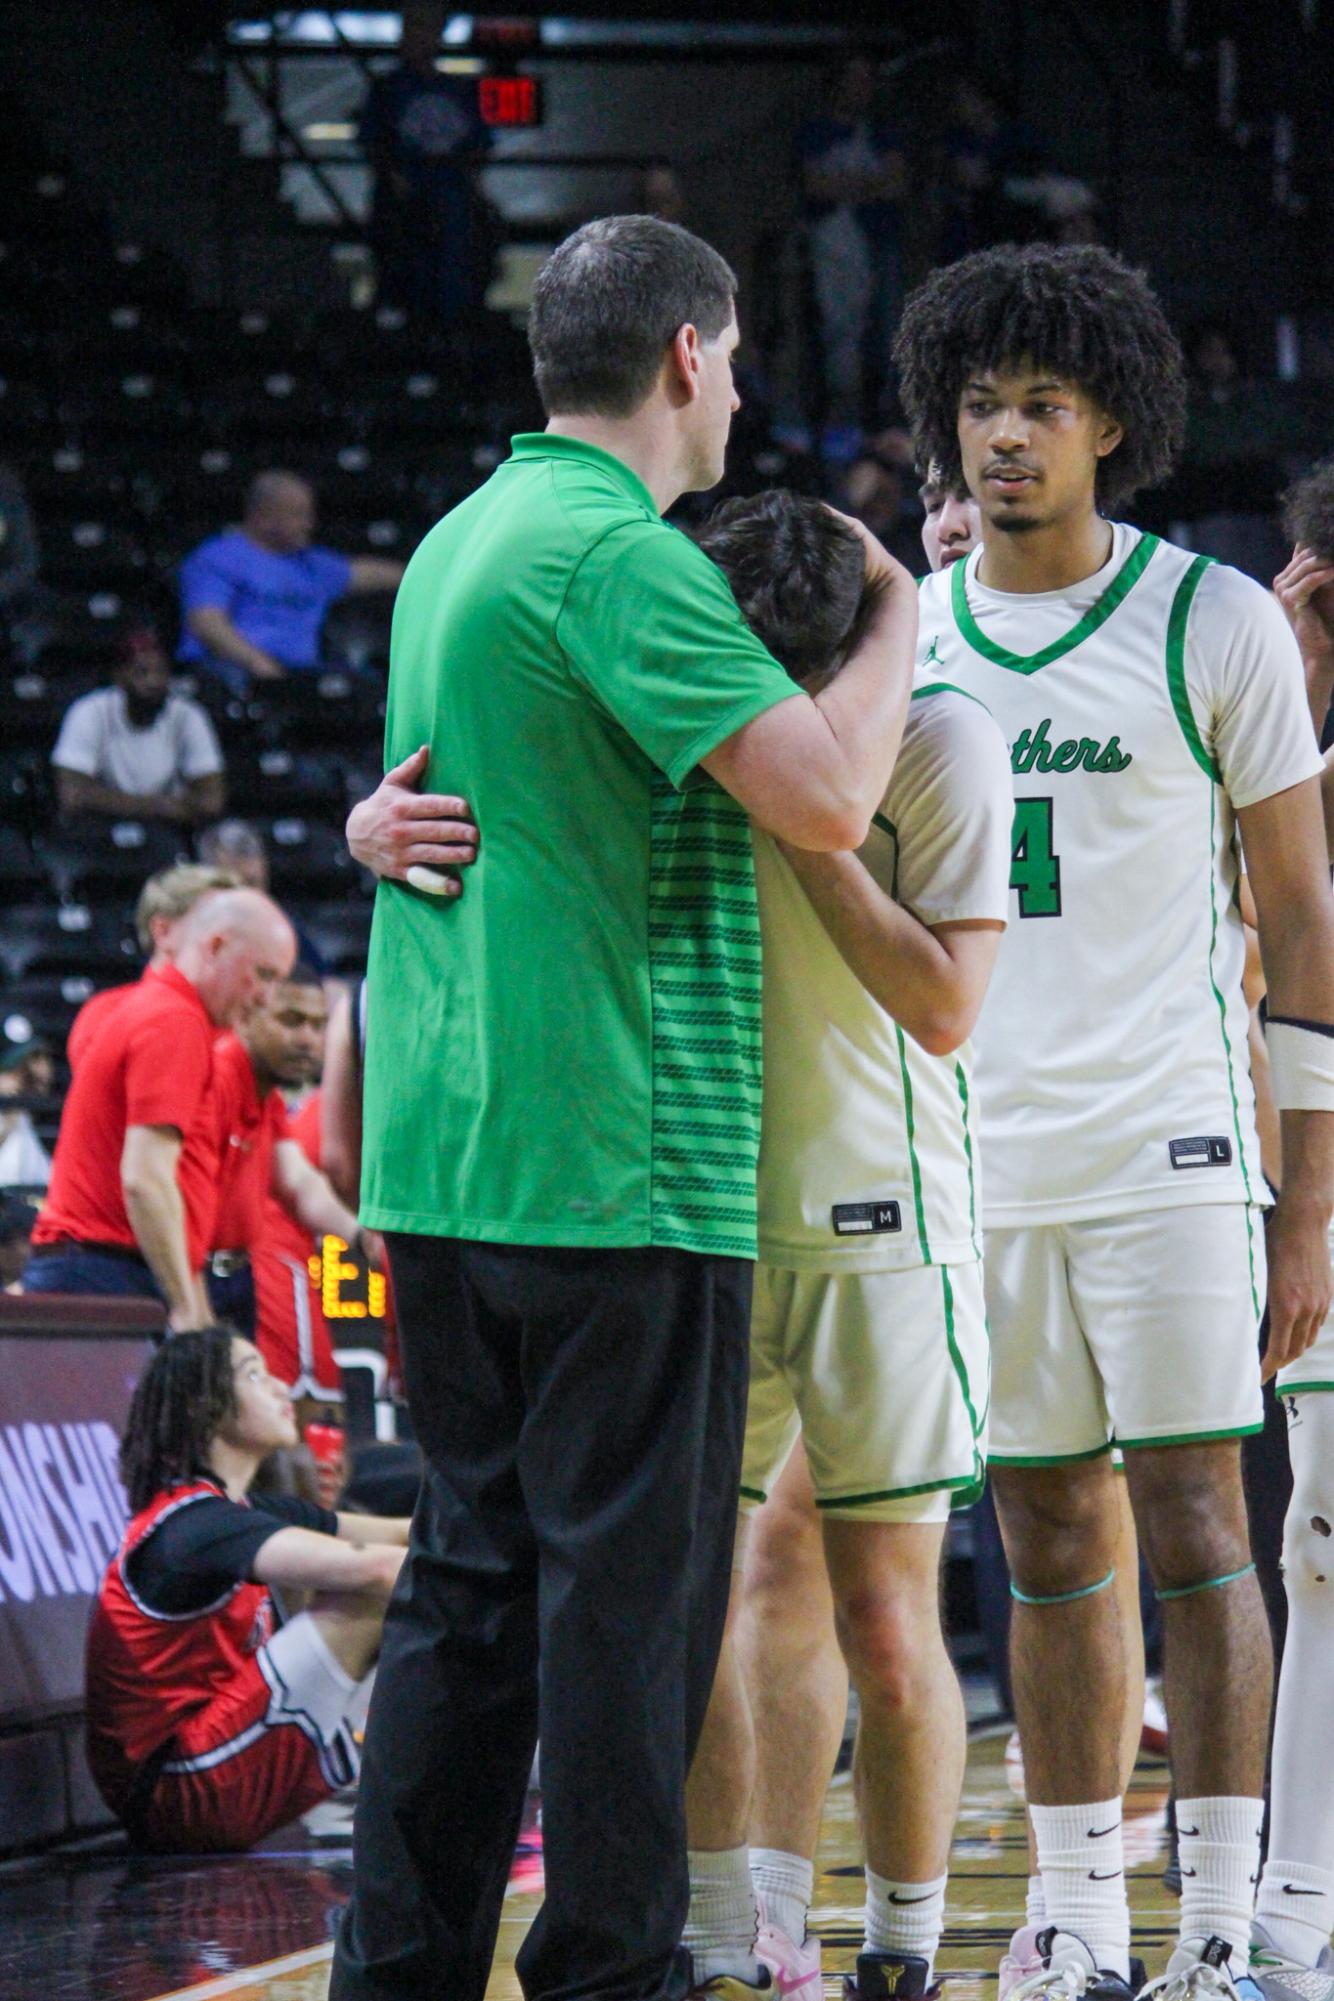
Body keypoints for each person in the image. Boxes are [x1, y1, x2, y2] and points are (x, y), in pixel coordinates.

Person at [329, 213, 917, 2001]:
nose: (734, 390)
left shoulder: (454, 542)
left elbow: (435, 802)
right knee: (620, 1612)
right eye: (730, 359)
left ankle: (403, 1968)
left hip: (451, 1156)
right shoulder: (616, 556)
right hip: (610, 1159)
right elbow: (819, 799)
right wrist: (894, 606)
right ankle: (605, 1971)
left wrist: (356, 828)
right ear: (683, 356)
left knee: (466, 1586)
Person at [895, 241, 1334, 2001]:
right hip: (967, 1156)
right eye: (979, 406)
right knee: (1043, 1539)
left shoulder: (1208, 620)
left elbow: (1299, 918)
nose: (1003, 439)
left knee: (1200, 1527)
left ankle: (1220, 1921)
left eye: (1040, 408)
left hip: (1170, 1149)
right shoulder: (895, 633)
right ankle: (1073, 1908)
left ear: (1110, 425)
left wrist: (1304, 1202)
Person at [674, 487, 1009, 2000]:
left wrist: (812, 825)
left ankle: (904, 1948)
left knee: (885, 1609)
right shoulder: (677, 733)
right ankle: (748, 1925)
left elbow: (943, 1009)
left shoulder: (940, 745)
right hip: (705, 1216)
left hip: (890, 1228)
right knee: (724, 1593)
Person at [85, 1326, 410, 1853]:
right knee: (376, 1592)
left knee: (415, 1582)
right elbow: (378, 1570)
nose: (282, 1387)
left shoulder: (238, 1510)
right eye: (255, 1375)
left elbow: (398, 1533)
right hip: (177, 1792)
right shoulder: (194, 1525)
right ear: (203, 1407)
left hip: (206, 1772)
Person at [1249, 459, 1334, 1983]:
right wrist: (1296, 688)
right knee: (1316, 1537)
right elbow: (1249, 928)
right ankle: (1297, 1899)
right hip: (1316, 1160)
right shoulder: (1286, 762)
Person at [24, 888, 295, 1328]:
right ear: (216, 947)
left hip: (99, 1267)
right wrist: (188, 1306)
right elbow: (146, 1180)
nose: (266, 997)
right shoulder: (175, 1021)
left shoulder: (171, 1013)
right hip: (103, 1273)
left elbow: (175, 1186)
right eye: (262, 974)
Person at [209, 965, 372, 1344]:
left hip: (235, 1277)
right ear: (246, 1016)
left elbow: (298, 1182)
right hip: (198, 1276)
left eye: (318, 1026)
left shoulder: (265, 1091)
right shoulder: (216, 1075)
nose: (307, 1040)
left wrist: (364, 1240)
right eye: (291, 1021)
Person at [177, 472, 404, 694]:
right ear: (263, 516)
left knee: (366, 684)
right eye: (298, 515)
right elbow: (206, 622)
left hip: (300, 674)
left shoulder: (311, 564)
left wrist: (424, 575)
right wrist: (257, 663)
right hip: (234, 670)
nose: (308, 525)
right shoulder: (217, 558)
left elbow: (367, 574)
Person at [358, 2, 494, 329]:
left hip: (451, 210)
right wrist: (395, 179)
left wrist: (469, 186)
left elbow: (479, 146)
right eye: (411, 27)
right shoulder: (388, 90)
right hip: (404, 211)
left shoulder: (459, 90)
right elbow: (373, 143)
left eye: (422, 28)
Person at [796, 53, 907, 452]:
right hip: (833, 246)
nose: (861, 88)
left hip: (877, 242)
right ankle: (834, 425)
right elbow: (816, 185)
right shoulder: (817, 131)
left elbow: (895, 183)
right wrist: (867, 183)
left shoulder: (883, 131)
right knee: (835, 330)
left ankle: (878, 424)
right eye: (853, 78)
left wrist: (848, 183)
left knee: (883, 330)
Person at [51, 623, 226, 827]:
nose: (153, 681)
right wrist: (160, 807)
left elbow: (212, 801)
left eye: (161, 672)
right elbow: (72, 795)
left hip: (169, 831)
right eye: (141, 672)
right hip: (100, 830)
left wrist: (110, 801)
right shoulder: (89, 711)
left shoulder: (188, 715)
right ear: (119, 677)